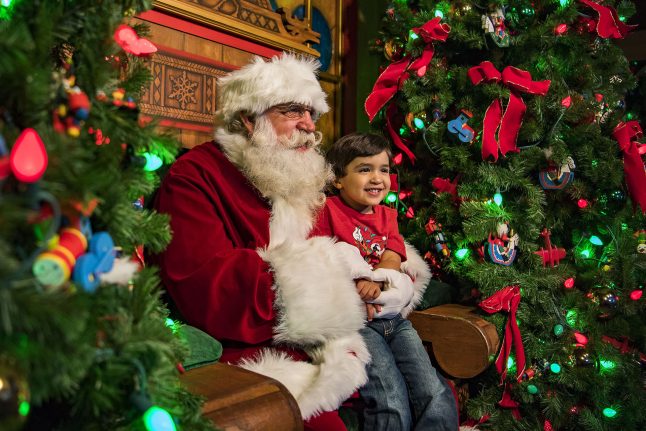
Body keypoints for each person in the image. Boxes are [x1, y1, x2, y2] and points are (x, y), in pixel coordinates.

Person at [151, 54, 432, 430]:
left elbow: (349, 240)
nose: (309, 126)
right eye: (293, 111)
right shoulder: (196, 176)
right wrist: (341, 288)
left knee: (424, 393)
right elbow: (206, 286)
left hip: (335, 342)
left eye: (312, 113)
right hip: (260, 354)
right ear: (249, 119)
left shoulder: (295, 176)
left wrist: (390, 275)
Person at [311, 132, 459, 431]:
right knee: (388, 395)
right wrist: (356, 287)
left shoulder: (387, 215)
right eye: (364, 169)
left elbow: (393, 253)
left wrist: (379, 280)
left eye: (384, 169)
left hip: (396, 321)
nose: (377, 178)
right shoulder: (327, 211)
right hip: (361, 326)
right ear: (338, 179)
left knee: (433, 389)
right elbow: (319, 258)